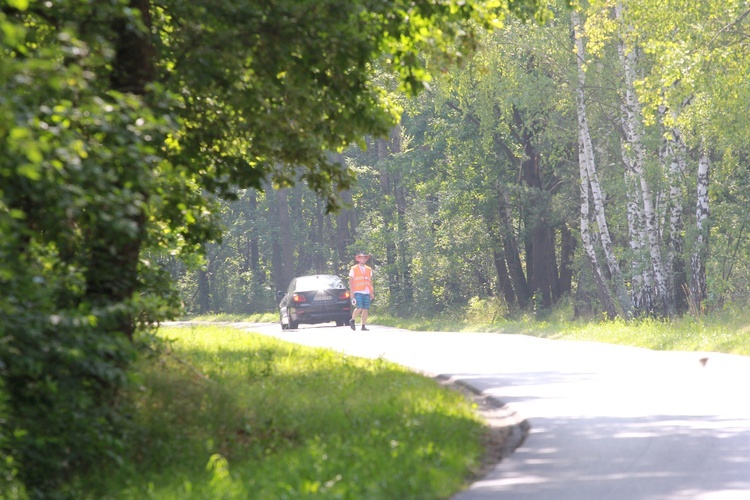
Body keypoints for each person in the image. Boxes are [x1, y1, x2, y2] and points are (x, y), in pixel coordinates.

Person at [349, 251, 374, 331]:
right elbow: (351, 281)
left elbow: (370, 281)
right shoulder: (354, 268)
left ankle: (363, 326)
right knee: (359, 307)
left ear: (366, 259)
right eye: (361, 257)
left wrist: (371, 292)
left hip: (366, 291)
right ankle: (352, 320)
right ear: (358, 259)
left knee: (365, 309)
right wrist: (352, 293)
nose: (363, 259)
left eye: (364, 257)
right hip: (358, 291)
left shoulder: (369, 269)